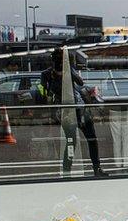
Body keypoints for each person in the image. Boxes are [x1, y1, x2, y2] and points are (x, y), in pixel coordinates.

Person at [39, 48, 106, 176]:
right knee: (71, 142)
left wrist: (68, 70)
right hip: (66, 112)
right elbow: (46, 94)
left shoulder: (68, 69)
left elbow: (80, 82)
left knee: (90, 139)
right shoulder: (47, 74)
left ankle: (95, 168)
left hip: (79, 108)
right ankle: (67, 171)